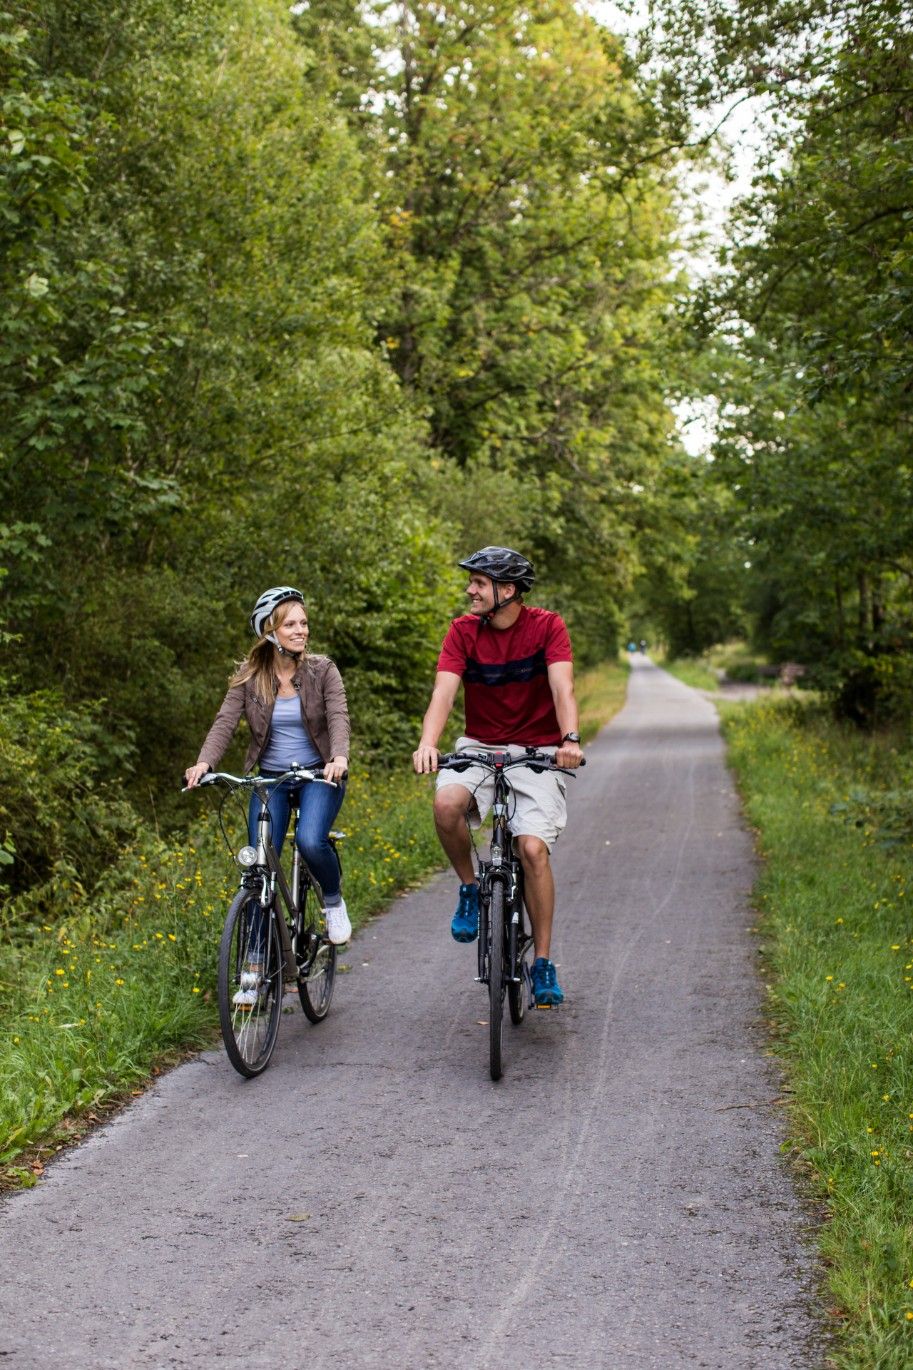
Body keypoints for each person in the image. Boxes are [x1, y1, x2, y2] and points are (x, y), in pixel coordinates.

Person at [412, 546, 583, 1007]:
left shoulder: (547, 626)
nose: (470, 590)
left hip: (540, 751)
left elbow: (562, 686)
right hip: (479, 747)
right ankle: (470, 888)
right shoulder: (462, 632)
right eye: (471, 582)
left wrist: (569, 739)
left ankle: (543, 964)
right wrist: (430, 742)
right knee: (446, 805)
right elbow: (443, 693)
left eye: (479, 583)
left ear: (507, 591)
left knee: (531, 849)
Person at [185, 587, 352, 1001]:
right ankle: (254, 970)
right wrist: (204, 762)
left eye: (303, 622)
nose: (301, 630)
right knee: (258, 868)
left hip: (319, 775)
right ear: (270, 631)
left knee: (312, 841)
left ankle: (332, 901)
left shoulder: (322, 670)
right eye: (291, 624)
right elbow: (224, 722)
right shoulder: (250, 677)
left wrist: (339, 757)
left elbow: (338, 716)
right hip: (270, 780)